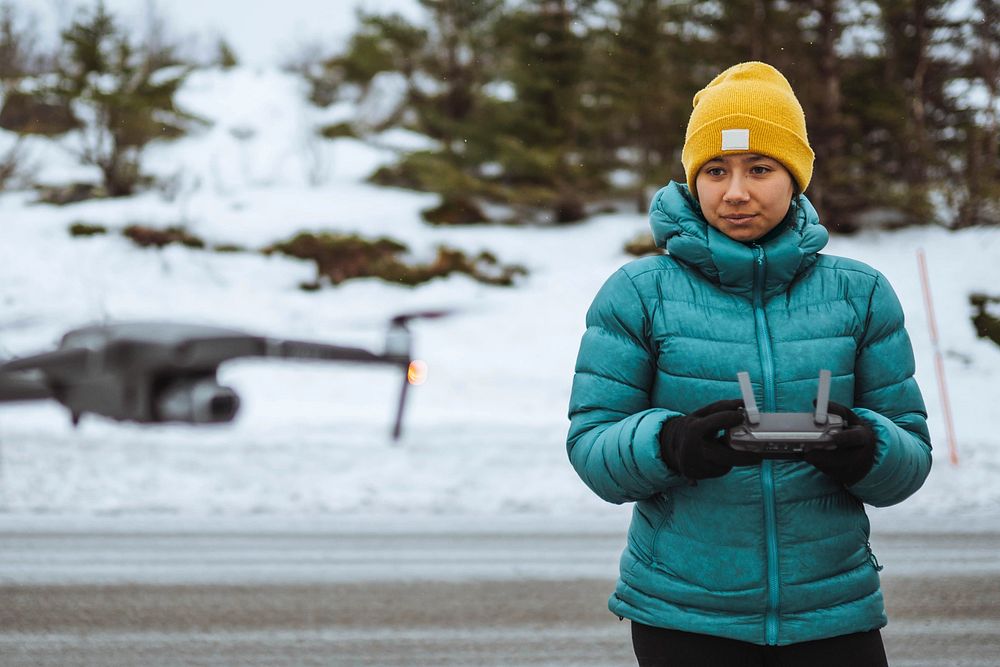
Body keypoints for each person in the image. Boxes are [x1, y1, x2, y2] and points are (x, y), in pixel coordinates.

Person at [566, 61, 932, 667]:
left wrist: (868, 449)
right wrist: (669, 443)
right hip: (683, 616)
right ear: (692, 181)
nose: (735, 191)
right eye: (715, 170)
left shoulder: (860, 293)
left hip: (833, 614)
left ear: (795, 177)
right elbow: (592, 448)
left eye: (759, 168)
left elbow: (911, 457)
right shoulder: (638, 292)